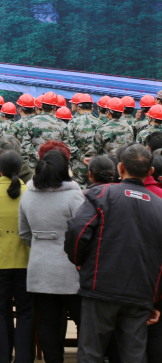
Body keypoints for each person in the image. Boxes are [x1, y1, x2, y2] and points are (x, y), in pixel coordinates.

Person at [65, 145, 162, 363]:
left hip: (100, 286)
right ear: (150, 172)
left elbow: (78, 230)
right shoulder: (159, 205)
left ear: (120, 168)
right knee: (134, 355)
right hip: (140, 290)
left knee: (91, 352)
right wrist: (156, 299)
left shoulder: (102, 194)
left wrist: (79, 261)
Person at [16, 151, 84, 363]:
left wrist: (41, 246)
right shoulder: (74, 196)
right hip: (72, 269)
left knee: (47, 321)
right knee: (83, 321)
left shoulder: (27, 195)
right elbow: (84, 232)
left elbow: (24, 233)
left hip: (40, 268)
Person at [0, 151, 32, 363]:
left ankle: (1, 358)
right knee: (25, 312)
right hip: (25, 260)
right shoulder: (29, 192)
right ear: (21, 169)